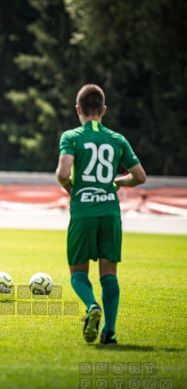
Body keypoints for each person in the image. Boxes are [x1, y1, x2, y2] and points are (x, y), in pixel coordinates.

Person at [56, 84, 147, 344]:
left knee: (78, 273)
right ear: (103, 110)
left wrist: (73, 190)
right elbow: (140, 176)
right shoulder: (117, 139)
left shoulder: (71, 137)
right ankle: (110, 330)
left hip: (83, 211)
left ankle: (91, 305)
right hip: (110, 212)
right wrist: (118, 182)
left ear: (78, 109)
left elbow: (62, 174)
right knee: (109, 274)